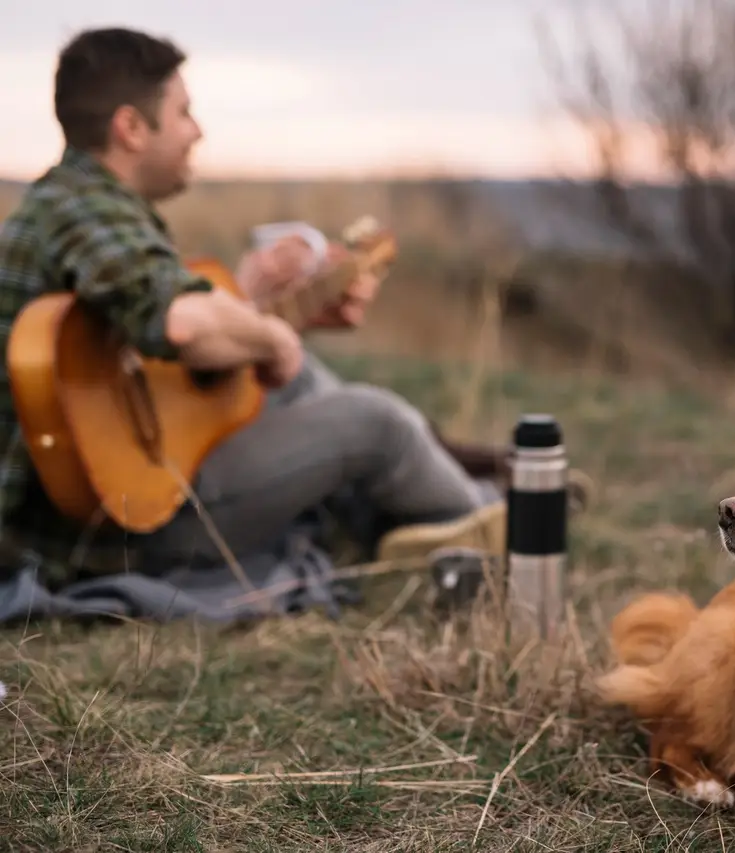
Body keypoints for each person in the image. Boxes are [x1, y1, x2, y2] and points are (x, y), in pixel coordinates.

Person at [0, 26, 542, 612]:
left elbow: (140, 359)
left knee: (299, 376)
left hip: (104, 507)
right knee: (374, 420)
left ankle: (426, 500)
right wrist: (273, 338)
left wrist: (259, 304)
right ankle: (496, 526)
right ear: (131, 128)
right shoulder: (88, 212)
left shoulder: (67, 204)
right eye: (183, 113)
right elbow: (182, 327)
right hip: (122, 532)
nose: (197, 131)